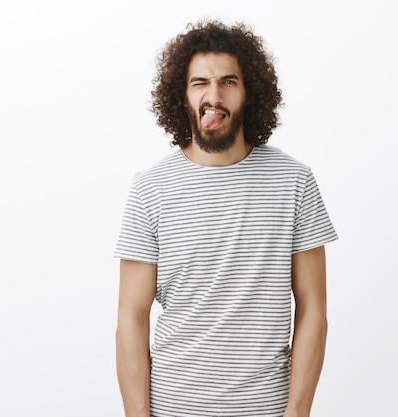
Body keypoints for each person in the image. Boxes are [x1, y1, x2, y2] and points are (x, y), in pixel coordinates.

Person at [114, 20, 337, 417]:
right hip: (173, 408)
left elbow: (314, 308)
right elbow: (131, 317)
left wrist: (297, 413)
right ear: (182, 96)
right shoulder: (150, 189)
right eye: (199, 82)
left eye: (228, 82)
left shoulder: (294, 182)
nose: (213, 95)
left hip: (267, 409)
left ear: (249, 92)